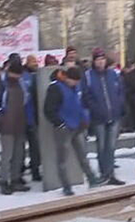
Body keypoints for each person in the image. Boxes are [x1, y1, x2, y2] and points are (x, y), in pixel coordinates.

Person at [44, 67, 102, 195]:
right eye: (73, 81)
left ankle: (91, 177)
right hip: (63, 128)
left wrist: (84, 119)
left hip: (77, 126)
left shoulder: (75, 87)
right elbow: (48, 109)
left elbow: (80, 104)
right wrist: (60, 123)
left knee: (82, 154)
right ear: (66, 77)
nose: (75, 84)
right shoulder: (55, 88)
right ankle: (66, 186)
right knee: (62, 159)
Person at [84, 48, 126, 185]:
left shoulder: (113, 74)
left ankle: (110, 173)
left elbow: (120, 91)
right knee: (101, 146)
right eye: (98, 60)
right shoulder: (89, 76)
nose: (101, 62)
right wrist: (95, 109)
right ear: (94, 61)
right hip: (99, 117)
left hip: (113, 114)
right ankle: (104, 173)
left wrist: (119, 105)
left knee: (111, 146)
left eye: (102, 59)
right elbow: (86, 96)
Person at [0, 62, 33, 195]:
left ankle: (15, 179)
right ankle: (4, 181)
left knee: (18, 154)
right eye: (15, 73)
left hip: (20, 123)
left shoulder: (21, 84)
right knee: (7, 155)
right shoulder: (1, 83)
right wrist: (0, 119)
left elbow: (26, 101)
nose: (17, 76)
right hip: (7, 124)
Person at [22, 55, 42, 182]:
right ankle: (20, 170)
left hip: (34, 117)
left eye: (36, 61)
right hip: (24, 116)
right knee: (22, 147)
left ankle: (35, 170)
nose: (35, 63)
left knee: (35, 146)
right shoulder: (24, 77)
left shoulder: (39, 75)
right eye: (32, 61)